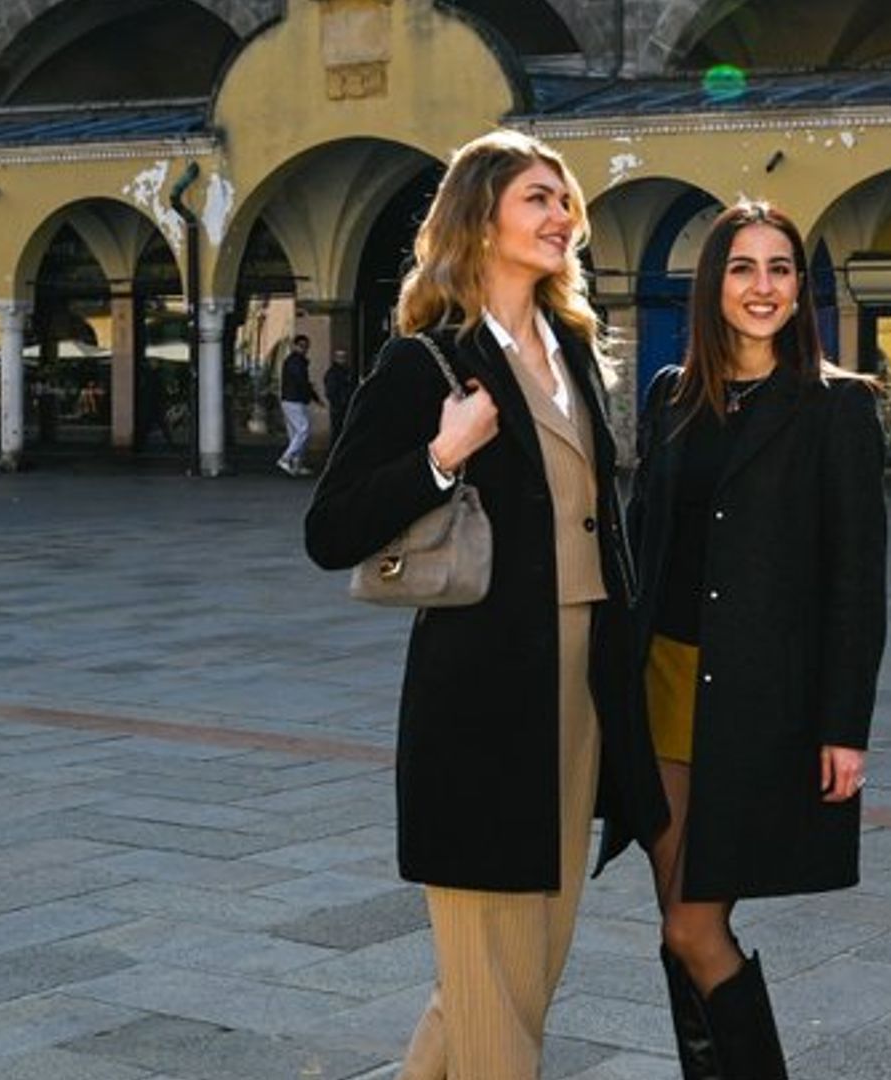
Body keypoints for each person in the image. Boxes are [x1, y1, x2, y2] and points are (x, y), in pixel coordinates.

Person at [304, 129, 667, 1080]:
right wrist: (440, 456)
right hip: (481, 695)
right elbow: (330, 528)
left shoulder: (573, 348)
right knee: (491, 980)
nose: (564, 218)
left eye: (567, 201)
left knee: (522, 972)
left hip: (584, 685)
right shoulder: (425, 363)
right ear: (481, 217)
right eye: (539, 199)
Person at [628, 200, 887, 1077]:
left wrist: (843, 725)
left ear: (800, 289)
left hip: (757, 705)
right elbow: (641, 546)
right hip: (660, 687)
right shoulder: (670, 397)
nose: (763, 286)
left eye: (780, 268)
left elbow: (857, 578)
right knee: (675, 925)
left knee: (693, 924)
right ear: (714, 284)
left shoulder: (835, 410)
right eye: (743, 267)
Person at [277, 333, 321, 476]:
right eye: (302, 346)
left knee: (295, 433)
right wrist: (313, 396)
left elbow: (302, 381)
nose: (304, 349)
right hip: (293, 400)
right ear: (295, 346)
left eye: (306, 346)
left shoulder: (294, 361)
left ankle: (296, 464)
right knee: (303, 429)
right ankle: (286, 458)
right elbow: (301, 381)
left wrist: (312, 396)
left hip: (291, 399)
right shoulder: (296, 362)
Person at [322, 346, 355, 448]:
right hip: (339, 407)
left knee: (342, 431)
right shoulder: (333, 373)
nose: (343, 359)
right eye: (340, 357)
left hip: (344, 405)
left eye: (344, 356)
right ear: (335, 358)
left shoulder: (345, 371)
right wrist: (339, 403)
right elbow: (331, 391)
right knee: (338, 432)